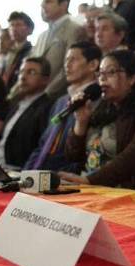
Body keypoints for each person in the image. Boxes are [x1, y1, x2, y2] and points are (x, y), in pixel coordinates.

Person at [59, 50, 135, 189]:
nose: (102, 79)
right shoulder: (102, 107)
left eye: (111, 72)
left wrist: (90, 180)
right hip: (89, 185)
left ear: (132, 78)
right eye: (100, 73)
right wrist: (81, 122)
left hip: (122, 191)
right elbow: (72, 156)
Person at [24, 41, 100, 173]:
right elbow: (43, 145)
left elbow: (83, 151)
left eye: (73, 60)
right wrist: (26, 172)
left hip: (67, 176)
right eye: (66, 60)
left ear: (93, 65)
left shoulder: (97, 100)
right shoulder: (61, 101)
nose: (67, 65)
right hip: (39, 172)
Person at [0, 57, 53, 170]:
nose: (23, 77)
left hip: (19, 171)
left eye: (31, 72)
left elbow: (40, 148)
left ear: (45, 80)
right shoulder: (15, 104)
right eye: (21, 72)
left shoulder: (47, 108)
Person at [30, 0, 87, 98]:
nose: (42, 6)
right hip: (34, 95)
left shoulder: (75, 29)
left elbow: (70, 67)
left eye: (48, 1)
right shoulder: (41, 36)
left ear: (63, 5)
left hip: (56, 95)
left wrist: (46, 94)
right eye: (43, 3)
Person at [4, 11, 34, 92]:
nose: (14, 29)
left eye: (18, 25)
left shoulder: (32, 52)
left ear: (29, 30)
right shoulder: (6, 53)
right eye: (11, 25)